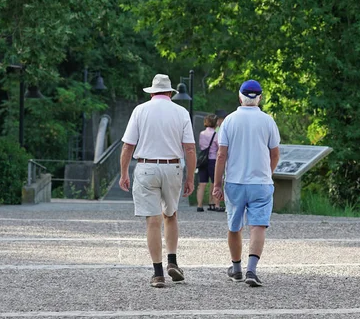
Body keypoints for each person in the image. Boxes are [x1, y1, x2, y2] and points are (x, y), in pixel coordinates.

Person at [119, 74, 196, 288]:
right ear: (170, 93)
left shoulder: (140, 111)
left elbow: (127, 146)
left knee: (153, 221)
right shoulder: (181, 112)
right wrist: (190, 177)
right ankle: (173, 261)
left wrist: (124, 173)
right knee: (170, 215)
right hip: (172, 167)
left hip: (146, 167)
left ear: (151, 92)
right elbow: (189, 148)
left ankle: (158, 273)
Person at [212, 79, 280, 287]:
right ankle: (252, 269)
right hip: (261, 183)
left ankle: (236, 268)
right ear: (260, 98)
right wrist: (266, 174)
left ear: (239, 97)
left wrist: (216, 184)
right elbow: (275, 154)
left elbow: (221, 155)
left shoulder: (229, 121)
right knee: (258, 225)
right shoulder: (268, 121)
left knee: (234, 226)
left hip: (235, 182)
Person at [196, 114, 222, 212]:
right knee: (215, 182)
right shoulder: (216, 134)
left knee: (202, 183)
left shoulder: (202, 133)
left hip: (203, 160)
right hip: (213, 159)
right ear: (215, 123)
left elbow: (201, 145)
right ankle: (216, 204)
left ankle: (199, 205)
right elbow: (219, 146)